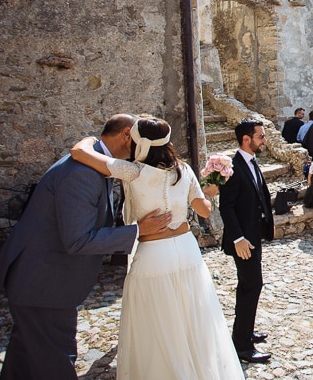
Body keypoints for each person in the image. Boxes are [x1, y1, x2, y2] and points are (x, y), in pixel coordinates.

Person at [0, 114, 171, 380]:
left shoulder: (93, 162)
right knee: (55, 361)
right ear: (125, 135)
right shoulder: (82, 175)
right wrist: (137, 232)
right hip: (44, 284)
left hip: (39, 282)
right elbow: (79, 240)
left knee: (25, 359)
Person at [69, 118, 244, 379]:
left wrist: (92, 140)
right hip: (187, 250)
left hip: (153, 252)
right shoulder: (183, 170)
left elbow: (78, 152)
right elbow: (203, 211)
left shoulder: (131, 170)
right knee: (193, 315)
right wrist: (210, 191)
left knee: (156, 320)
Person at [220, 118, 275, 364]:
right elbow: (226, 207)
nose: (264, 140)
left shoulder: (251, 161)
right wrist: (238, 238)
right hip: (244, 240)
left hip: (254, 235)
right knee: (252, 285)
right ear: (247, 139)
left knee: (248, 286)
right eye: (261, 136)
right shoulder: (232, 166)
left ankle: (245, 330)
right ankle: (242, 345)